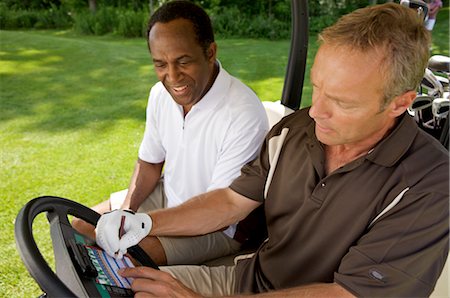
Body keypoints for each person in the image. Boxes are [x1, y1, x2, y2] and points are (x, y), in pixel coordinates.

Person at [95, 3, 449, 297]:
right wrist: (143, 221)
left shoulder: (429, 186)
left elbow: (346, 295)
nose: (316, 111)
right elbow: (232, 201)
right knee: (122, 285)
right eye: (318, 88)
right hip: (247, 280)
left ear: (399, 104)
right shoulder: (294, 132)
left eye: (341, 102)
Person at [72, 0, 269, 266]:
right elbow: (150, 163)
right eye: (160, 64)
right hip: (170, 195)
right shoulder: (159, 95)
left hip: (220, 226)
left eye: (183, 61)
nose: (172, 77)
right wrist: (127, 210)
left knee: (131, 254)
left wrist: (141, 225)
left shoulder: (243, 112)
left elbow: (220, 208)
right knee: (81, 225)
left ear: (210, 52)